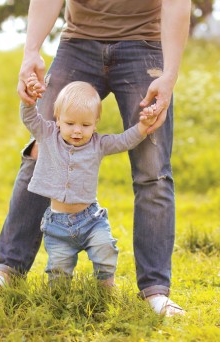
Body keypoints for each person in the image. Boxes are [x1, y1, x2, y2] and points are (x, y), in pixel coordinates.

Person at [0, 0, 190, 317]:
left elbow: (177, 5)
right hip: (78, 44)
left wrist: (169, 76)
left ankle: (155, 292)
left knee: (152, 171)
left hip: (144, 46)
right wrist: (31, 52)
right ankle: (9, 271)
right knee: (39, 154)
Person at [21, 75, 157, 288]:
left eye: (85, 125)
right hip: (57, 224)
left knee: (105, 250)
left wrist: (142, 126)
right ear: (57, 119)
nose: (77, 130)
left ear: (95, 124)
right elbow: (30, 119)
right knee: (58, 271)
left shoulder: (98, 144)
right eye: (70, 123)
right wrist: (29, 100)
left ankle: (104, 288)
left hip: (91, 219)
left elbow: (124, 141)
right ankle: (58, 301)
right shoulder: (48, 134)